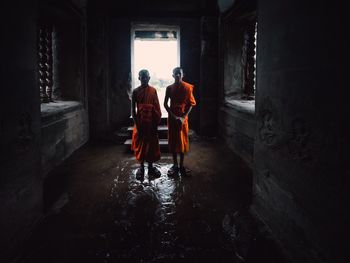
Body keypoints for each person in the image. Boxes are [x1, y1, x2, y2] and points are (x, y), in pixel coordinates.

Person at [164, 67, 196, 177]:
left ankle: (182, 165)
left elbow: (191, 104)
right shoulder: (169, 88)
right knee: (173, 140)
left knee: (182, 141)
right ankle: (175, 165)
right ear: (172, 75)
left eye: (179, 73)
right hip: (172, 118)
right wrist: (173, 116)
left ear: (183, 74)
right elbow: (165, 104)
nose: (177, 75)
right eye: (175, 73)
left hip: (183, 118)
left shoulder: (187, 87)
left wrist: (183, 117)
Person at [131, 69, 162, 179]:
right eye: (142, 76)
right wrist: (138, 125)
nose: (144, 78)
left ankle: (150, 167)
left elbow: (157, 108)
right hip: (140, 122)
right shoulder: (135, 91)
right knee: (141, 146)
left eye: (146, 77)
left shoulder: (153, 91)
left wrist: (155, 123)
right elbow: (133, 111)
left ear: (149, 78)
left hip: (151, 123)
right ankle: (141, 167)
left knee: (151, 146)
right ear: (139, 78)